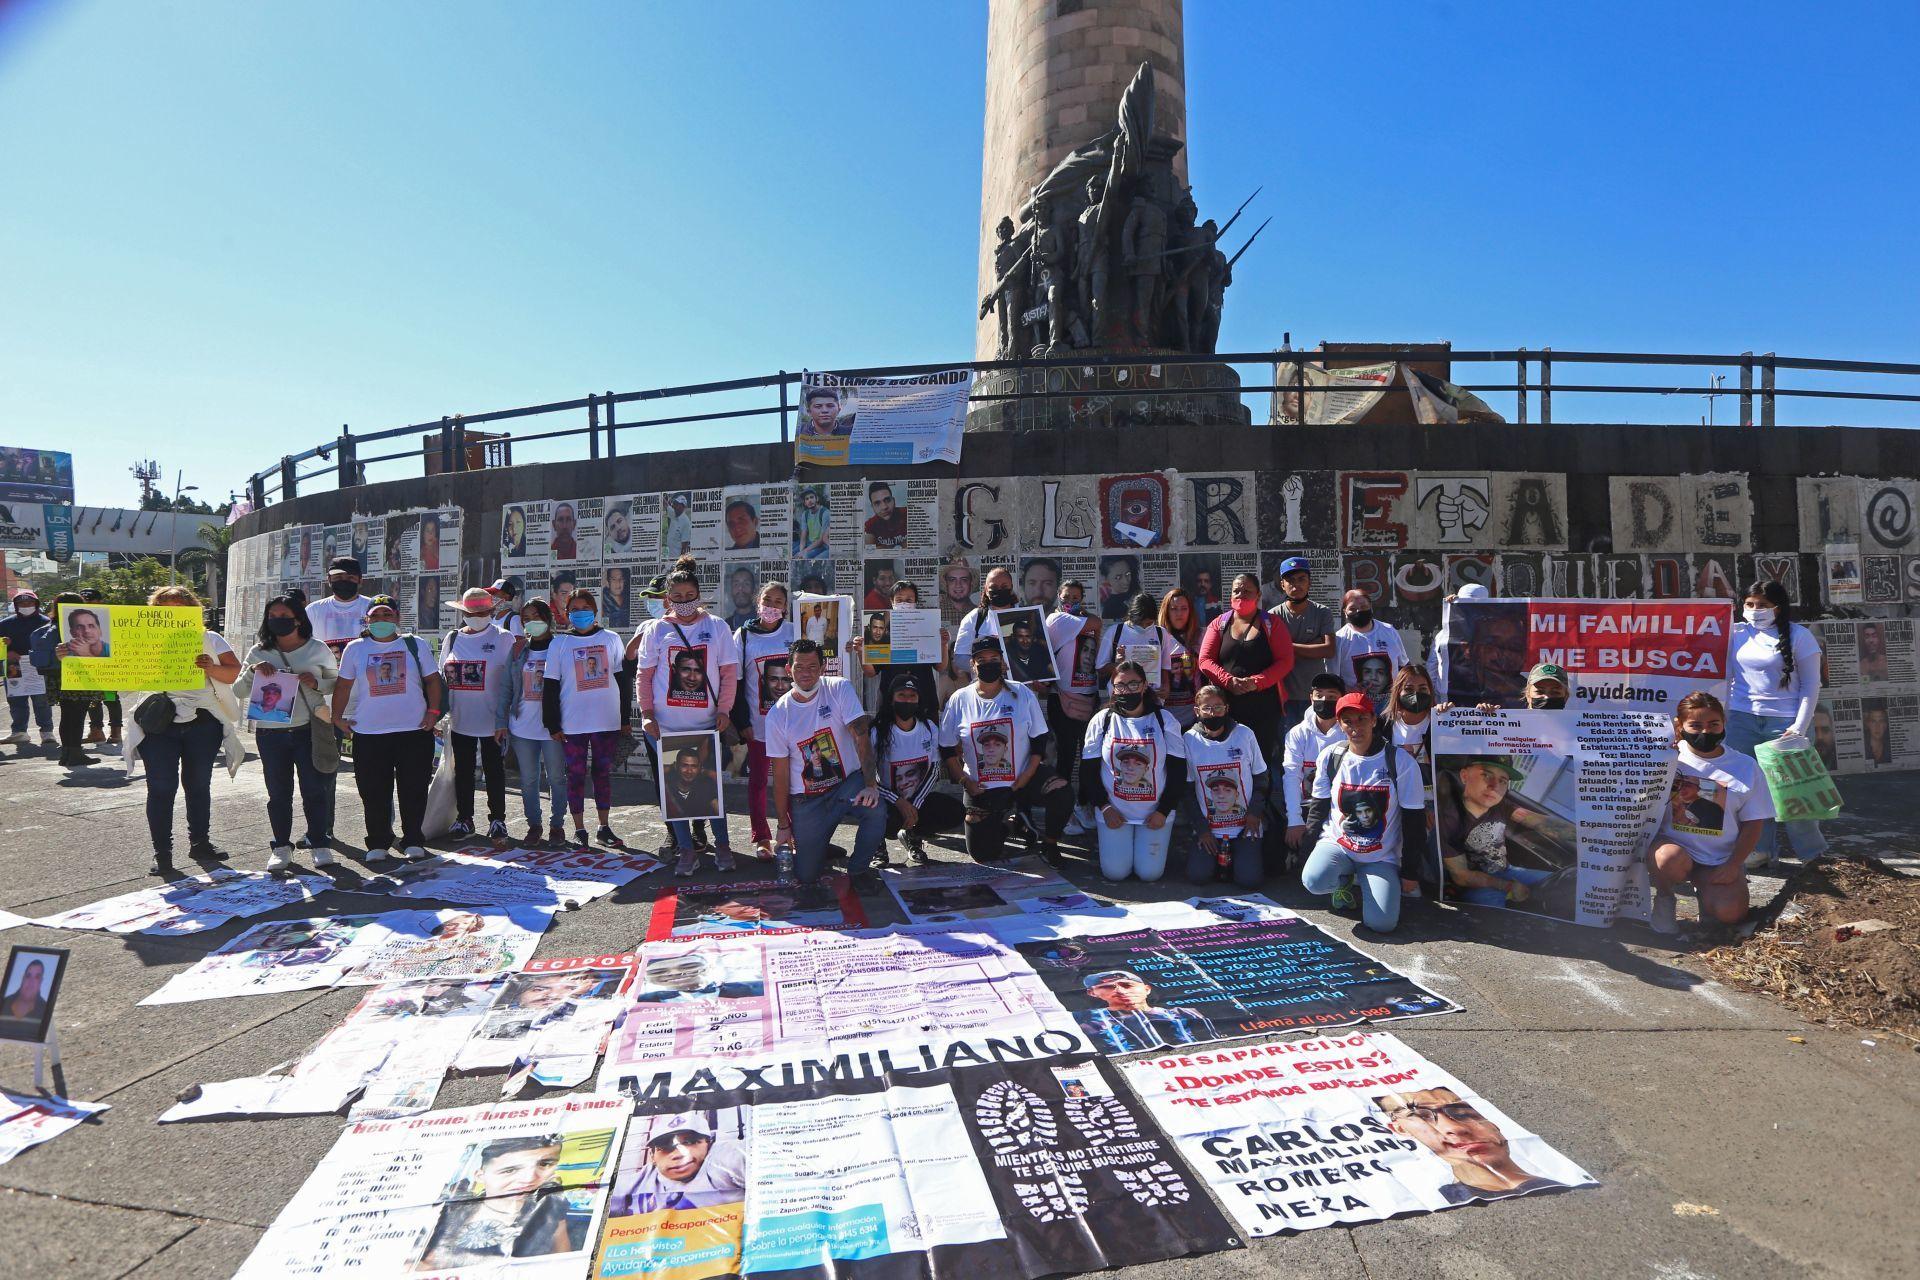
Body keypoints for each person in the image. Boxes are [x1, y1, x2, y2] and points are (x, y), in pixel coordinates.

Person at [115, 586, 243, 876]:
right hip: (158, 723)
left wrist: (210, 667)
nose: (173, 617)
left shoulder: (209, 638)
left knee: (198, 785)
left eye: (180, 611)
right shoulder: (140, 640)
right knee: (160, 788)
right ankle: (162, 853)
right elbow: (108, 667)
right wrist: (69, 656)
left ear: (193, 611)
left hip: (202, 721)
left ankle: (200, 843)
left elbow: (233, 672)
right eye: (166, 611)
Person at [639, 557, 741, 874]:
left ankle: (722, 846)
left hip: (705, 725)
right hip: (665, 727)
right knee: (676, 795)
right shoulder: (657, 630)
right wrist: (646, 714)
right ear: (669, 599)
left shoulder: (717, 627)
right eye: (677, 598)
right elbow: (643, 675)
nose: (684, 603)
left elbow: (728, 673)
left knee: (710, 791)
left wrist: (724, 710)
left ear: (699, 595)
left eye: (689, 596)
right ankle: (686, 850)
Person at [1301, 692, 1431, 933]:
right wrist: (1307, 853)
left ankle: (1366, 879)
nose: (1355, 727)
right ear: (1340, 725)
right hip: (1339, 846)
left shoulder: (1400, 762)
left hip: (1380, 857)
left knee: (1382, 924)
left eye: (1361, 719)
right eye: (1348, 721)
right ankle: (1344, 880)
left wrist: (1410, 872)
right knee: (1313, 881)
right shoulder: (1331, 757)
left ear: (1373, 720)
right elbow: (1317, 810)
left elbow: (1414, 822)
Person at [1647, 691, 1774, 933]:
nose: (1705, 732)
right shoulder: (1666, 756)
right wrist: (1667, 746)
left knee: (1730, 913)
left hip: (1719, 860)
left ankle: (1708, 901)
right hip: (1675, 850)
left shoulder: (1746, 766)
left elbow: (1753, 824)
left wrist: (1734, 864)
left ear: (1724, 724)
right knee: (1668, 860)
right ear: (1680, 726)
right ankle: (1664, 898)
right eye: (1695, 725)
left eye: (1713, 724)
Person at [940, 635, 1072, 864]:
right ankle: (1010, 823)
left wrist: (1024, 778)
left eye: (994, 658)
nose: (988, 663)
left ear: (1003, 663)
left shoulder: (1022, 693)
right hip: (980, 786)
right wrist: (965, 782)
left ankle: (1049, 843)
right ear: (972, 664)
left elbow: (1039, 742)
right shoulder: (959, 699)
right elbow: (947, 748)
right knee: (982, 854)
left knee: (1062, 792)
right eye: (981, 659)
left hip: (1023, 777)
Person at [764, 638, 886, 884]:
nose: (805, 673)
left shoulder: (839, 687)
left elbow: (861, 735)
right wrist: (782, 824)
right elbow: (780, 774)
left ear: (823, 668)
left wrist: (871, 785)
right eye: (799, 667)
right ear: (789, 670)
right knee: (806, 875)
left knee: (877, 809)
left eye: (812, 667)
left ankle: (859, 869)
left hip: (846, 784)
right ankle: (819, 846)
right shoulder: (778, 714)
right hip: (808, 800)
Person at [332, 595, 442, 864]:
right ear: (367, 620)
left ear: (397, 619)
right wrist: (336, 716)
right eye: (376, 616)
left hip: (414, 730)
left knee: (413, 788)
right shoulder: (355, 649)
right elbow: (344, 686)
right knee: (373, 790)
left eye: (387, 615)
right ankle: (378, 841)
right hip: (370, 732)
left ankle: (413, 839)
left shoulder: (414, 645)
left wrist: (434, 712)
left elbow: (432, 681)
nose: (381, 621)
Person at [1725, 580, 1827, 867]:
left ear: (1778, 608)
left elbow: (1810, 685)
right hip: (1741, 721)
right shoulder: (1735, 633)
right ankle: (1759, 850)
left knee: (1794, 793)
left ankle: (1812, 853)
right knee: (1748, 791)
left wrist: (1799, 726)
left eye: (1763, 605)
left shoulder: (1800, 636)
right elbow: (1725, 676)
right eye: (1750, 604)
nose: (1756, 610)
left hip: (1783, 724)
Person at [235, 595, 339, 870]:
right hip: (271, 733)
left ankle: (319, 843)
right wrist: (253, 672)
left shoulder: (317, 649)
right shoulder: (259, 651)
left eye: (284, 617)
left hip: (308, 730)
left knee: (315, 790)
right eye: (273, 617)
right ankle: (281, 846)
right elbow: (238, 691)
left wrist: (316, 681)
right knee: (278, 793)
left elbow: (335, 682)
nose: (278, 621)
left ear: (299, 620)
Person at [1081, 661, 1187, 882]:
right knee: (1115, 873)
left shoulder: (1164, 720)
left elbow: (1178, 772)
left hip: (1154, 813)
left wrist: (1164, 810)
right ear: (1112, 687)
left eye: (1133, 684)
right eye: (1120, 685)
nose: (1126, 691)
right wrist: (1104, 807)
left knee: (1150, 874)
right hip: (1114, 812)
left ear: (1145, 686)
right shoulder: (1102, 720)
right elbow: (1088, 771)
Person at [1374, 1088, 1567, 1204]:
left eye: (1465, 1114)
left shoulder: (1557, 1181)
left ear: (1493, 1123)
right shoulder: (1432, 1194)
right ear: (1400, 1129)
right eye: (1422, 1117)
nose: (1455, 1128)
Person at [543, 588, 628, 849]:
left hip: (606, 721)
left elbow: (623, 681)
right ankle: (579, 829)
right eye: (575, 609)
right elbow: (550, 685)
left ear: (595, 611)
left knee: (602, 774)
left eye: (585, 608)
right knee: (576, 776)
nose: (580, 613)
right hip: (573, 724)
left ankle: (604, 827)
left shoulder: (611, 638)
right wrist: (553, 723)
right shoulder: (559, 643)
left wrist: (625, 719)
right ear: (567, 614)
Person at [415, 1135, 573, 1268]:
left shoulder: (549, 1207)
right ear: (480, 1175)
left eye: (543, 1165)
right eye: (510, 1170)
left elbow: (562, 1258)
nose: (528, 1179)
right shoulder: (448, 1213)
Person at [438, 587, 514, 846]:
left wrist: (505, 719)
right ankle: (465, 818)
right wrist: (439, 717)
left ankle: (497, 819)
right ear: (463, 612)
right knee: (464, 772)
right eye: (472, 612)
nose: (477, 616)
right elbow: (440, 678)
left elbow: (511, 681)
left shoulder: (504, 638)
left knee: (495, 771)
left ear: (492, 611)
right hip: (460, 719)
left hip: (494, 721)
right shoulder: (452, 638)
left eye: (483, 611)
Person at [1438, 757, 1568, 908]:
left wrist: (1588, 831)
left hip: (1508, 871)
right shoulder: (1449, 820)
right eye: (1486, 775)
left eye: (1503, 781)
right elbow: (1461, 876)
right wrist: (1507, 886)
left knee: (1563, 882)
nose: (1494, 786)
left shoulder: (1500, 805)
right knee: (1500, 921)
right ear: (1464, 776)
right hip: (1475, 885)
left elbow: (1539, 822)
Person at [1196, 573, 1296, 758]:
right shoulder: (1219, 624)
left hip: (1264, 708)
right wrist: (1228, 681)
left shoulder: (1272, 624)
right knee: (1228, 759)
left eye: (1247, 591)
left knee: (1261, 760)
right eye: (1237, 591)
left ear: (1258, 595)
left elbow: (1286, 661)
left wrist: (1256, 682)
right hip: (1225, 709)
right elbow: (1205, 660)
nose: (1241, 595)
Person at [1181, 683, 1269, 886]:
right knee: (1198, 876)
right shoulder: (1189, 739)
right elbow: (1187, 791)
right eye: (1207, 708)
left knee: (1250, 880)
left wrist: (1255, 813)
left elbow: (1261, 778)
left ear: (1227, 708)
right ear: (1197, 711)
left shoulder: (1244, 734)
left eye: (1218, 707)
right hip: (1209, 828)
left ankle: (1238, 859)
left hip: (1244, 824)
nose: (1213, 713)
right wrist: (1202, 828)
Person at [733, 581, 794, 858]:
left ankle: (791, 834)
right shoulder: (743, 636)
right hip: (758, 724)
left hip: (794, 723)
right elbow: (735, 682)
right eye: (767, 600)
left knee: (794, 782)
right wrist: (742, 722)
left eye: (778, 601)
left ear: (786, 607)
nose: (772, 606)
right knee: (758, 781)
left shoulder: (794, 632)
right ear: (758, 602)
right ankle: (761, 838)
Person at [873, 680, 964, 865]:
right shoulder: (878, 731)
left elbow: (934, 770)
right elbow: (867, 776)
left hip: (917, 799)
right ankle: (877, 845)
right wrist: (898, 802)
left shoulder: (929, 728)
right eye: (901, 696)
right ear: (891, 700)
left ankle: (913, 835)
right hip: (888, 800)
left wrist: (915, 803)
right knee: (881, 817)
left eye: (912, 696)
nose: (907, 701)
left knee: (955, 811)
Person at [504, 601, 568, 846]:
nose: (532, 621)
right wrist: (502, 721)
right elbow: (507, 689)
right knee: (529, 780)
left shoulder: (561, 645)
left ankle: (556, 826)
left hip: (552, 729)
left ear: (548, 618)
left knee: (556, 778)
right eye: (526, 617)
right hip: (522, 728)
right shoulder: (519, 649)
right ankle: (534, 826)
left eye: (536, 616)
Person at [1044, 580, 1103, 835]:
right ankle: (1063, 811)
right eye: (1067, 596)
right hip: (1064, 698)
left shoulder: (1078, 619)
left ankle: (1082, 803)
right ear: (1059, 596)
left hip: (1088, 696)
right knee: (1066, 758)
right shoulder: (1057, 620)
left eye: (1076, 597)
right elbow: (1097, 623)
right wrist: (1083, 614)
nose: (1071, 601)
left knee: (1089, 757)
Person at [1383, 662, 1442, 895]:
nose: (1416, 694)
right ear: (1398, 692)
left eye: (1423, 689)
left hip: (1434, 801)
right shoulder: (1384, 724)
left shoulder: (1443, 721)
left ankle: (1424, 883)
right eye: (1408, 689)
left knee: (1435, 856)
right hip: (1396, 799)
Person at [611, 1122, 747, 1217]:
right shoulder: (637, 1182)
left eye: (689, 1142)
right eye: (664, 1148)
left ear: (708, 1143)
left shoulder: (725, 1157)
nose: (677, 1154)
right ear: (652, 1156)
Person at [861, 578, 948, 723]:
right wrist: (860, 651)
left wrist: (943, 645)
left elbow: (940, 667)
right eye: (899, 600)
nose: (904, 604)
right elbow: (871, 672)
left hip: (924, 699)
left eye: (909, 600)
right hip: (891, 701)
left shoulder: (927, 627)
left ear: (915, 602)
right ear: (891, 602)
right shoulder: (882, 631)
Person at [1281, 673, 1347, 859]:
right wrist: (1294, 820)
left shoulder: (1349, 731)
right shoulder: (1297, 734)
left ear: (1342, 698)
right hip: (1307, 806)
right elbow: (1292, 776)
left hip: (1340, 807)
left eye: (1332, 696)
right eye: (1319, 695)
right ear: (1311, 698)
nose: (1325, 700)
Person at [31, 592, 101, 767]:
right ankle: (75, 754)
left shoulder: (51, 626)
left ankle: (67, 754)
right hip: (76, 676)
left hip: (55, 676)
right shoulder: (77, 627)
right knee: (77, 715)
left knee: (67, 715)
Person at [1076, 969, 1216, 1053]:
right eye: (1108, 987)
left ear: (1147, 989)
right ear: (1092, 992)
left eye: (1127, 985)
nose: (1120, 990)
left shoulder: (1184, 1014)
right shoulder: (1087, 1021)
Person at [1332, 589, 1410, 707]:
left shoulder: (1389, 631)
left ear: (1371, 607)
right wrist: (1349, 689)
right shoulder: (1339, 639)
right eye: (1352, 609)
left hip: (1390, 705)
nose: (1359, 611)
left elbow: (1404, 665)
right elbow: (1333, 678)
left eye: (1363, 606)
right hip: (1356, 706)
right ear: (1345, 612)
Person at [1096, 591, 1178, 694]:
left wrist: (1166, 686)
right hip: (1123, 695)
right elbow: (1101, 668)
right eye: (1139, 623)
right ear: (1130, 616)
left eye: (1149, 623)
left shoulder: (1161, 633)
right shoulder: (1115, 632)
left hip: (1152, 696)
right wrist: (1119, 664)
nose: (1144, 627)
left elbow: (1165, 667)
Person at [2, 588, 54, 748]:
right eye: (21, 603)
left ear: (36, 604)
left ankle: (47, 732)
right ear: (16, 606)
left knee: (42, 701)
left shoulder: (47, 622)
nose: (25, 605)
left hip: (39, 667)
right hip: (14, 668)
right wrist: (6, 650)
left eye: (29, 602)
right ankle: (19, 732)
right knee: (16, 701)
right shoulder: (5, 624)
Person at [950, 565, 1019, 683]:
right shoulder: (974, 618)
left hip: (1020, 688)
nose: (999, 590)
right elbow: (960, 658)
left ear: (1011, 588)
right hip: (984, 689)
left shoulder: (1027, 615)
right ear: (986, 590)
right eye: (994, 587)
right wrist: (989, 666)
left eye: (1004, 586)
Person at [308, 556, 372, 659]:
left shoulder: (373, 608)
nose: (344, 581)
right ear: (329, 580)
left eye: (350, 577)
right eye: (338, 577)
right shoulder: (313, 610)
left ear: (360, 580)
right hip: (325, 674)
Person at [1159, 587, 1204, 726]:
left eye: (1184, 608)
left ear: (1190, 611)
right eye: (1174, 608)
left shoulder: (1202, 636)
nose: (1179, 613)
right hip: (1164, 716)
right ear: (1166, 611)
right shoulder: (1157, 637)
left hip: (1195, 716)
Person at [662, 745, 721, 822]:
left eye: (694, 766)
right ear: (676, 766)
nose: (689, 771)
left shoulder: (705, 787)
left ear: (699, 768)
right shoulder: (667, 787)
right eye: (684, 765)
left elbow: (717, 808)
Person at [863, 481, 907, 548]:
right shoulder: (870, 525)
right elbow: (868, 550)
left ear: (894, 501)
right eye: (877, 503)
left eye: (887, 500)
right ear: (873, 507)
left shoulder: (908, 514)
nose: (884, 507)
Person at [1098, 555, 1139, 621]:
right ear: (1106, 579)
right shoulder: (1113, 607)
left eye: (1128, 574)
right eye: (1118, 577)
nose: (1125, 581)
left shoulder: (1127, 598)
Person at [792, 486, 829, 559]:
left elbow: (822, 540)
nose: (810, 500)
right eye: (807, 499)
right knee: (792, 554)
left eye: (812, 497)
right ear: (805, 503)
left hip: (821, 545)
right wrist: (801, 551)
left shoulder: (825, 513)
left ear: (816, 499)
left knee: (806, 556)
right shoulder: (805, 514)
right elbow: (803, 536)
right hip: (809, 544)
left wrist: (804, 552)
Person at [722, 565, 757, 631]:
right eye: (736, 584)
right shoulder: (726, 624)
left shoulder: (763, 622)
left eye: (746, 584)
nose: (740, 588)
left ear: (754, 590)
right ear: (731, 591)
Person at [661, 492, 693, 558]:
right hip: (669, 555)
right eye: (674, 504)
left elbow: (685, 545)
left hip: (676, 558)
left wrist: (680, 563)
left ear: (683, 506)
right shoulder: (674, 513)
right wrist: (660, 495)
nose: (674, 506)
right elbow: (666, 505)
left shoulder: (686, 522)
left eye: (677, 504)